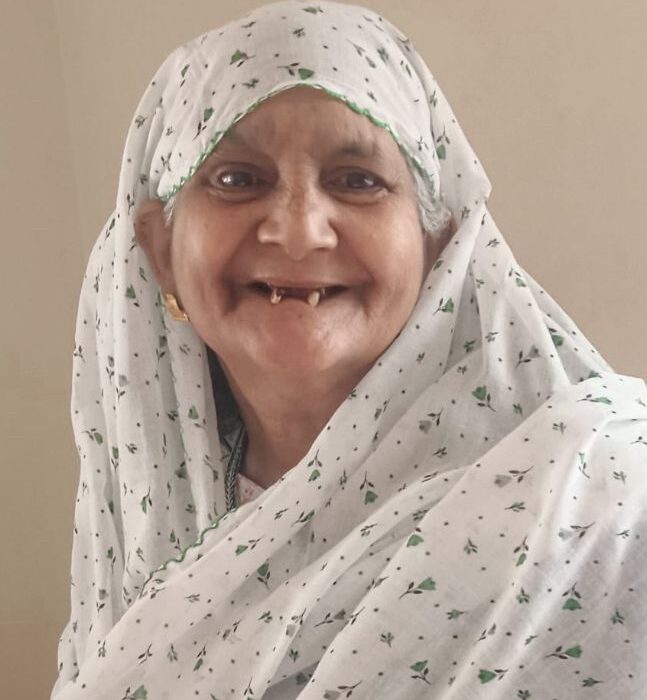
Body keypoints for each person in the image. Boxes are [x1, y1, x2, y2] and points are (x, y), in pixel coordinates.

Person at [52, 2, 647, 698]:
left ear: (438, 248)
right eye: (237, 179)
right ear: (160, 251)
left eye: (358, 181)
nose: (300, 230)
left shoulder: (594, 499)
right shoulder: (152, 509)